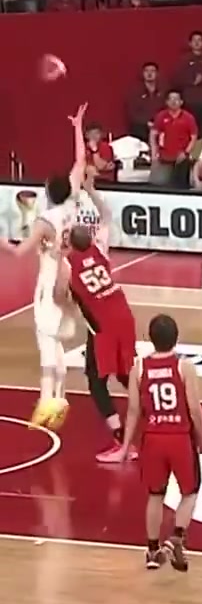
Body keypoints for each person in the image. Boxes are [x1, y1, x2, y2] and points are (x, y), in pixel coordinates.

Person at [0, 101, 87, 428]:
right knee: (58, 340)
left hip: (50, 280)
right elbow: (81, 162)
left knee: (46, 342)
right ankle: (59, 398)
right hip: (70, 276)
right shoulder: (73, 205)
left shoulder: (45, 221)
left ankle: (47, 400)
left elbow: (19, 252)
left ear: (48, 191)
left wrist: (1, 241)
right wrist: (77, 127)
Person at [118, 314, 202, 571]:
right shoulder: (184, 367)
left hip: (152, 439)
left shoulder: (138, 368)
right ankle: (176, 538)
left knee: (155, 494)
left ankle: (152, 551)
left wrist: (125, 446)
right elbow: (194, 408)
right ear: (176, 337)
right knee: (190, 492)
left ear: (150, 338)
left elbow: (133, 411)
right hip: (179, 438)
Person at [53, 225, 138, 462]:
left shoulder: (68, 264)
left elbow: (59, 297)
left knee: (96, 381)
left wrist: (58, 260)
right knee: (124, 372)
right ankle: (161, 408)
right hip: (123, 315)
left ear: (70, 243)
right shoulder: (99, 249)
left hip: (103, 326)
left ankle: (121, 440)